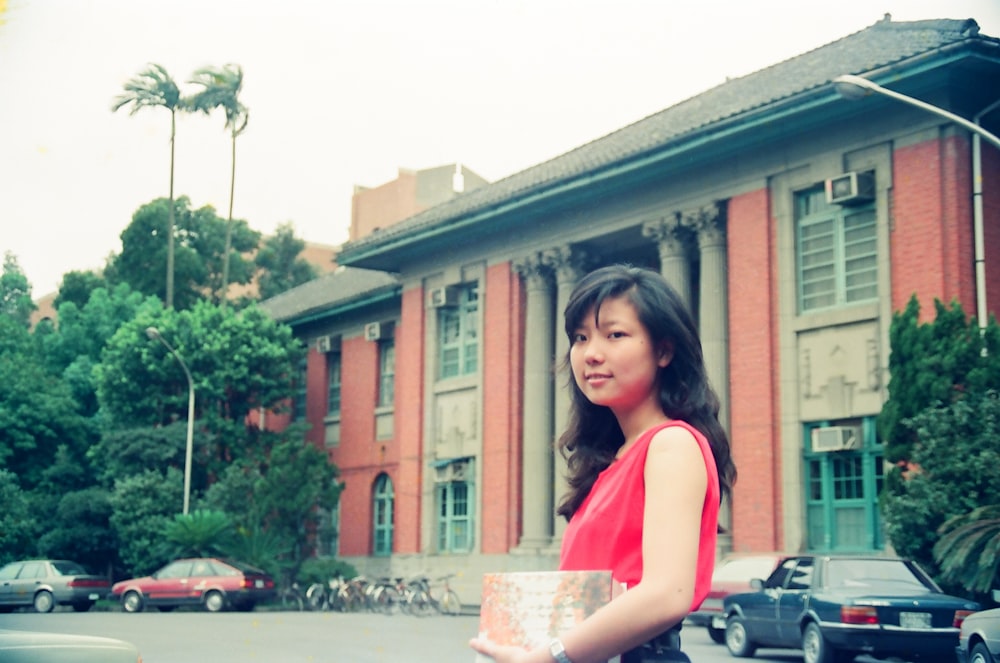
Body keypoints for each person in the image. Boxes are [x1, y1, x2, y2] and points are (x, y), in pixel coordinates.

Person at [470, 264, 736, 663]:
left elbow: (667, 594)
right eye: (580, 338)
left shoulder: (671, 445)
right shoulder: (614, 461)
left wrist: (549, 658)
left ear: (664, 350)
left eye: (615, 335)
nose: (591, 354)